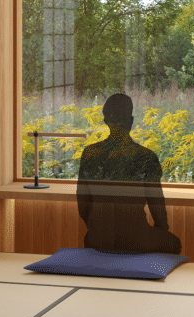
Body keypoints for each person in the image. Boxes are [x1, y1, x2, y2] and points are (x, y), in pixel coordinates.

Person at [77, 92, 181, 254]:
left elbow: (82, 204)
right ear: (131, 121)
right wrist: (161, 230)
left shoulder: (89, 153)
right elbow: (157, 207)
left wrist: (96, 229)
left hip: (97, 240)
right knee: (173, 243)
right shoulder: (146, 156)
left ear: (105, 121)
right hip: (136, 239)